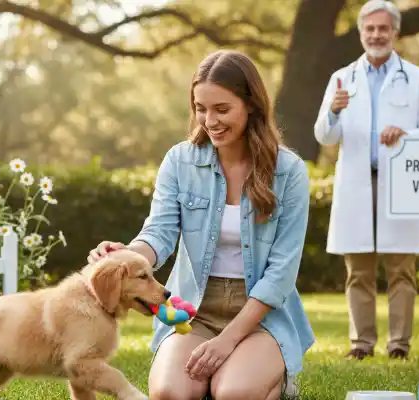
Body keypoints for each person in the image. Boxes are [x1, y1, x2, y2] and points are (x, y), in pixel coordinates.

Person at [87, 49, 313, 400]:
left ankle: (274, 382)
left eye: (222, 109)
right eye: (201, 108)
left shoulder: (290, 172)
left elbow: (282, 272)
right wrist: (126, 255)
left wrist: (228, 341)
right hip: (192, 310)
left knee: (233, 393)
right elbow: (159, 233)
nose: (210, 121)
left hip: (260, 318)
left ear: (251, 105)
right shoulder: (180, 161)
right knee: (169, 393)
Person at [313, 0, 419, 361]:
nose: (376, 35)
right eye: (369, 29)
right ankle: (361, 344)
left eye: (383, 28)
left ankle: (399, 344)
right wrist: (334, 111)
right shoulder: (342, 78)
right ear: (361, 33)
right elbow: (324, 136)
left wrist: (405, 134)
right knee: (358, 270)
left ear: (395, 33)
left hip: (399, 184)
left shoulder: (417, 78)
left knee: (402, 269)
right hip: (356, 183)